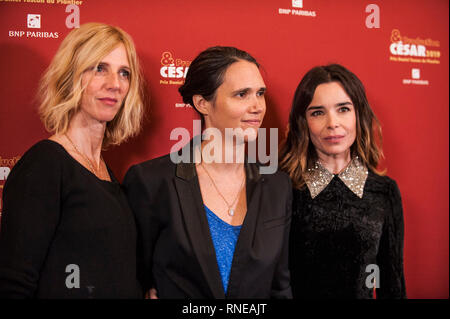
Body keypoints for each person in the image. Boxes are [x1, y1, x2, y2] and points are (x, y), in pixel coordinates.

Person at [123, 46, 292, 299]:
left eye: (260, 93)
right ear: (202, 103)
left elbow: (280, 287)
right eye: (241, 94)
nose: (257, 106)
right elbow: (134, 279)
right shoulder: (152, 182)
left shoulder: (278, 185)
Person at [0, 22, 144, 298]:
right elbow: (14, 282)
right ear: (71, 76)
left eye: (124, 73)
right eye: (100, 68)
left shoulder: (106, 173)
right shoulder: (44, 165)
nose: (114, 84)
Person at [279, 64, 406, 299]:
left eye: (343, 109)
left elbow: (392, 282)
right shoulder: (283, 189)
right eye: (317, 112)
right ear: (303, 122)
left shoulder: (384, 191)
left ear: (359, 115)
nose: (332, 123)